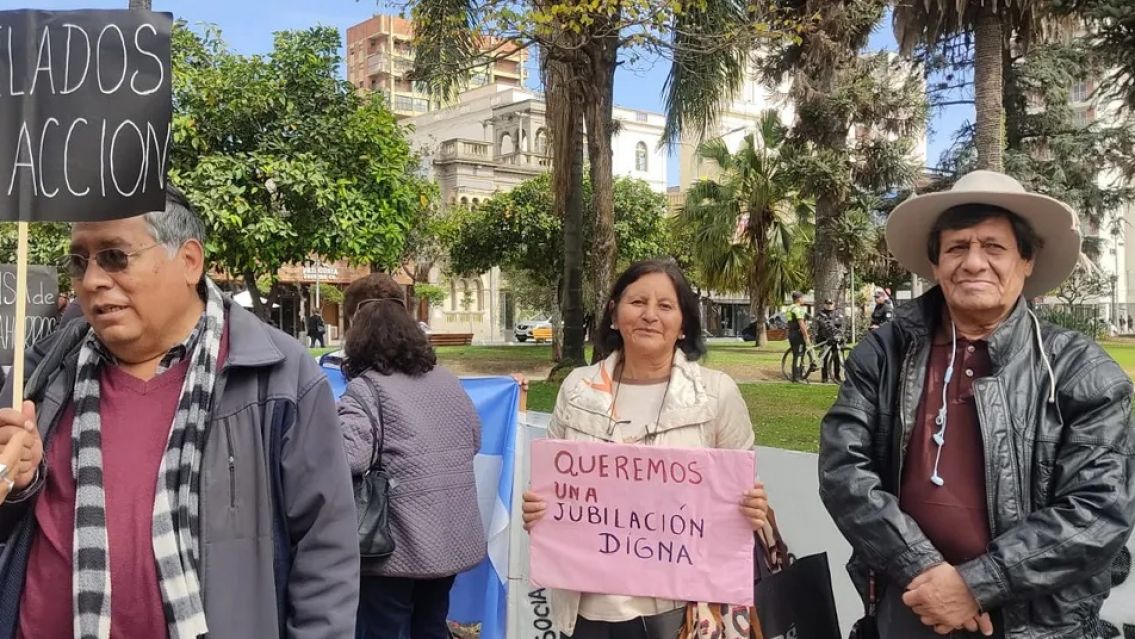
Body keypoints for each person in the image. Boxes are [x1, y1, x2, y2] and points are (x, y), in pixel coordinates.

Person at [0, 186, 360, 638]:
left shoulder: (278, 377)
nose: (91, 280)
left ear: (189, 261)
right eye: (79, 262)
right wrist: (17, 483)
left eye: (114, 256)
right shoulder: (41, 375)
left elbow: (325, 551)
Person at [818, 170, 1135, 639]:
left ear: (1026, 261)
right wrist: (927, 573)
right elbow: (844, 470)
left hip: (1037, 621)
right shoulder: (885, 353)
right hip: (911, 605)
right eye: (957, 247)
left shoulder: (1079, 370)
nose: (973, 262)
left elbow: (1100, 510)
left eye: (993, 246)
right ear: (936, 263)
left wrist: (977, 584)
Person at [520, 259, 770, 639]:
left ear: (683, 324)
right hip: (585, 611)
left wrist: (753, 511)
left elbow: (741, 498)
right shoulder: (576, 388)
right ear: (614, 315)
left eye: (666, 306)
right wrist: (537, 511)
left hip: (679, 615)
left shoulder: (716, 393)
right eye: (637, 302)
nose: (650, 315)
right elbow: (553, 490)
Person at [337, 274, 485, 639]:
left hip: (393, 550)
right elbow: (474, 439)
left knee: (383, 630)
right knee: (432, 626)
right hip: (450, 539)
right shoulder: (448, 380)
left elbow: (349, 457)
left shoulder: (366, 389)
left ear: (356, 329)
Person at [814, 299, 845, 383]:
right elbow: (822, 324)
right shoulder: (820, 314)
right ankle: (824, 377)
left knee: (836, 359)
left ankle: (837, 377)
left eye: (830, 303)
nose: (829, 305)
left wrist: (840, 335)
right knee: (824, 358)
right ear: (824, 304)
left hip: (835, 339)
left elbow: (841, 324)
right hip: (825, 339)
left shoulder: (837, 313)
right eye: (827, 303)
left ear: (833, 304)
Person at [786, 291, 812, 382]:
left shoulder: (790, 308)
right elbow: (801, 324)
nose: (803, 299)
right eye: (802, 298)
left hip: (792, 333)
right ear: (798, 299)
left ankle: (799, 376)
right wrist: (806, 336)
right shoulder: (797, 309)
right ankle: (797, 377)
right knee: (799, 356)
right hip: (798, 335)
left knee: (797, 355)